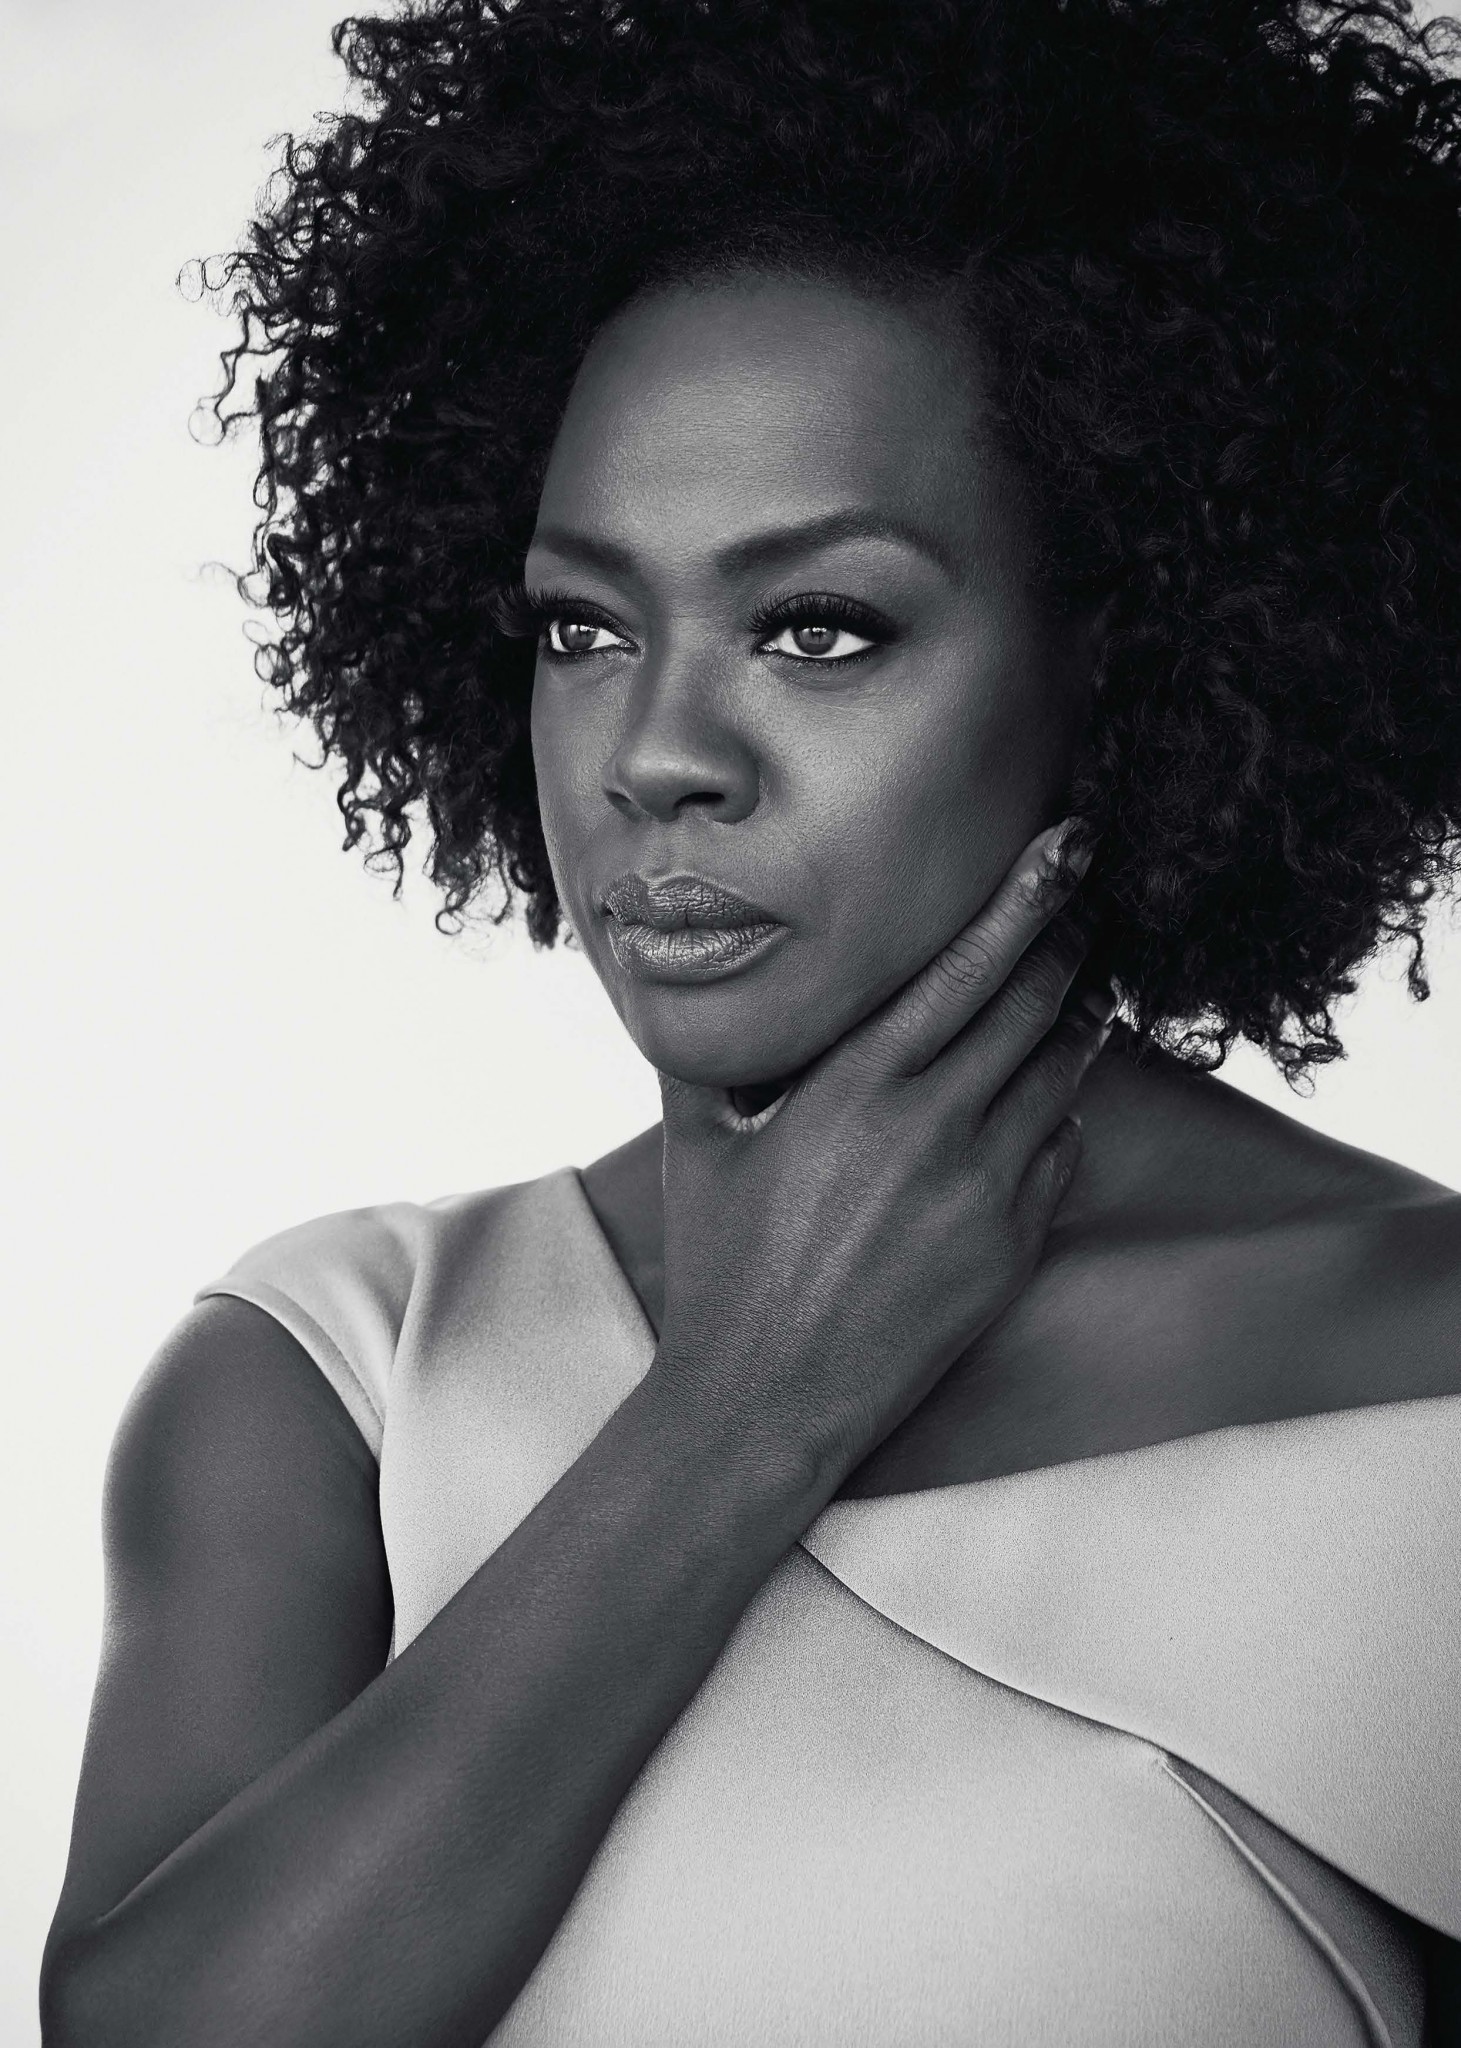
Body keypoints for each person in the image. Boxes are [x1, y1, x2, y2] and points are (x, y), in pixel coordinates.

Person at [39, 0, 1461, 2042]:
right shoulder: (334, 1374)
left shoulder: (1419, 1383)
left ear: (1132, 657)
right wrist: (742, 1404)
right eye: (582, 626)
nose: (655, 754)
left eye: (816, 627)